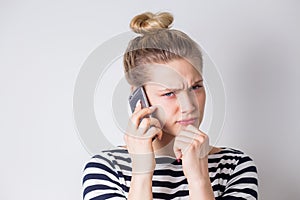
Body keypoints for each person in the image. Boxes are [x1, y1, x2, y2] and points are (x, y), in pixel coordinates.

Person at [82, 12, 258, 200]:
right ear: (139, 98)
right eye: (169, 93)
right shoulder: (107, 169)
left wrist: (199, 179)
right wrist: (142, 172)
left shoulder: (235, 166)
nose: (189, 105)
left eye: (196, 87)